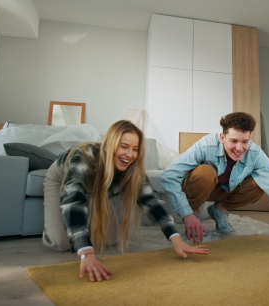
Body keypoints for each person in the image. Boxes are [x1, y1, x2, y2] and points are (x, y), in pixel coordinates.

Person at [43, 120, 208, 282]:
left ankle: (81, 224)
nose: (130, 155)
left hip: (99, 186)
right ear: (109, 145)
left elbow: (152, 202)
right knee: (62, 242)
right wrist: (87, 254)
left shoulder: (132, 168)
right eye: (124, 147)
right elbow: (74, 201)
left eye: (135, 149)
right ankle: (56, 223)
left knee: (111, 239)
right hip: (62, 180)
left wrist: (176, 239)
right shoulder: (84, 158)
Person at [161, 112, 269, 256]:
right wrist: (187, 214)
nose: (239, 148)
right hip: (201, 187)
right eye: (233, 141)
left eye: (244, 142)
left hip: (226, 191)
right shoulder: (206, 145)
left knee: (259, 184)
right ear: (222, 137)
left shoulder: (256, 154)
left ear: (249, 139)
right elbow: (169, 176)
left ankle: (220, 210)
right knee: (205, 172)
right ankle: (195, 212)